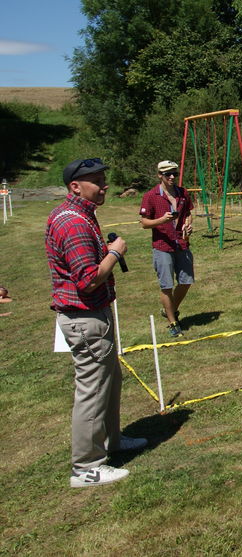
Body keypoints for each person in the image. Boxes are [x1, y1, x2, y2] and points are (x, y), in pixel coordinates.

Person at [46, 158, 147, 487]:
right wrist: (115, 253)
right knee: (92, 391)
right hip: (85, 318)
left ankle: (112, 440)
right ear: (75, 186)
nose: (105, 186)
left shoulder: (81, 215)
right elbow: (88, 279)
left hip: (93, 316)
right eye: (98, 181)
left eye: (104, 179)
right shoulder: (73, 223)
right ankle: (86, 467)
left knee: (109, 381)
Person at [139, 160, 194, 337]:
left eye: (174, 174)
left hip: (182, 244)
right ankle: (172, 322)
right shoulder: (151, 196)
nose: (171, 177)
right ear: (159, 175)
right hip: (162, 246)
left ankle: (169, 309)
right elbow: (144, 223)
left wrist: (188, 224)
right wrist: (162, 220)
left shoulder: (183, 193)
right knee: (167, 285)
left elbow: (188, 213)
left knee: (186, 281)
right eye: (167, 174)